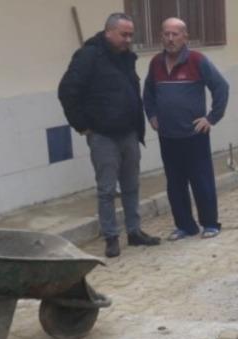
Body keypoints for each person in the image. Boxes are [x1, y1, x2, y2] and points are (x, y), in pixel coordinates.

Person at [59, 12, 161, 258]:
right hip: (103, 136)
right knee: (106, 190)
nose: (128, 40)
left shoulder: (126, 58)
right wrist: (82, 126)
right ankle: (111, 237)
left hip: (128, 133)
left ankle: (134, 232)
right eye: (124, 34)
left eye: (131, 35)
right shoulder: (88, 56)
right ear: (109, 32)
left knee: (131, 186)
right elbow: (67, 92)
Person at [143, 18, 230, 241]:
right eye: (166, 34)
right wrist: (152, 115)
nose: (170, 39)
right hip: (168, 136)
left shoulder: (197, 60)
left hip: (194, 136)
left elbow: (221, 87)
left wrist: (211, 118)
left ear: (185, 37)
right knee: (175, 183)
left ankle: (210, 223)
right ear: (161, 36)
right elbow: (148, 93)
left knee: (202, 181)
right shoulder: (155, 63)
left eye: (175, 34)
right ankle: (185, 226)